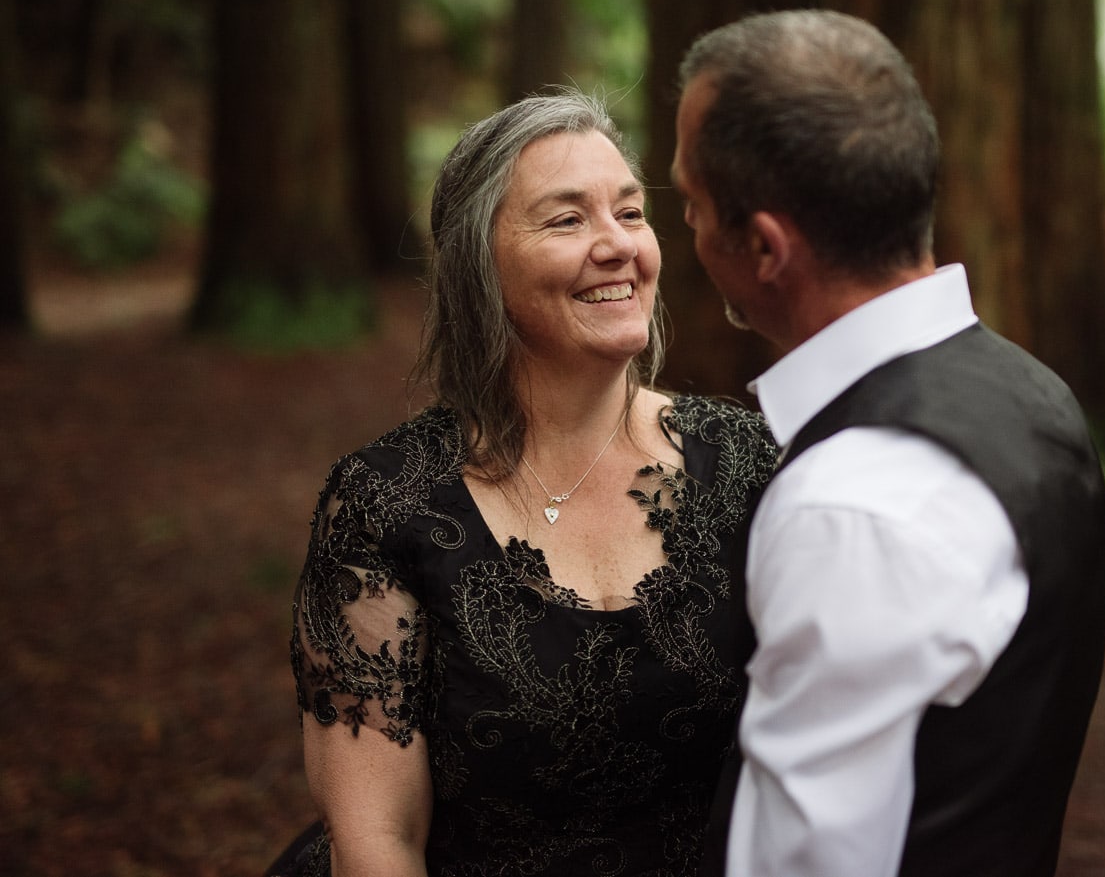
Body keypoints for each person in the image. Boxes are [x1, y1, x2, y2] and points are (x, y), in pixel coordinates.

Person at [267, 90, 778, 877]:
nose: (617, 244)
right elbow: (378, 841)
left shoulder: (750, 461)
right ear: (478, 266)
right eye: (567, 219)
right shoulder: (386, 505)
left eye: (631, 213)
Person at [671, 10, 1105, 877]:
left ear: (764, 246)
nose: (680, 229)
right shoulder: (1031, 390)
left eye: (688, 202)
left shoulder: (852, 503)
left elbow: (809, 858)